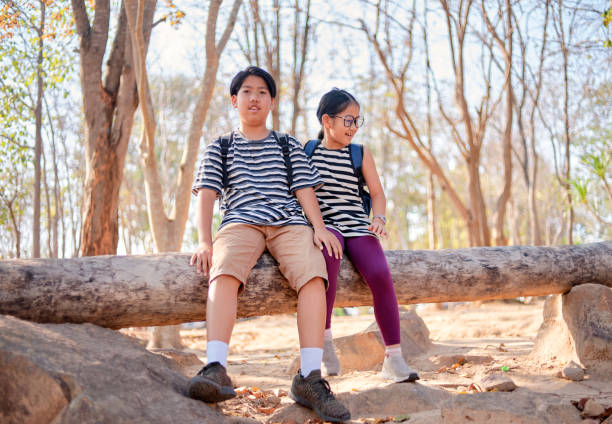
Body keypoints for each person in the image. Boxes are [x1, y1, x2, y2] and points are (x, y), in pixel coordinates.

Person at [188, 67, 350, 423]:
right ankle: (215, 367)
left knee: (313, 275)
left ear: (272, 102)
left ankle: (310, 377)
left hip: (289, 223)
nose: (255, 98)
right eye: (247, 92)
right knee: (224, 269)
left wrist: (318, 228)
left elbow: (304, 189)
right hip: (240, 222)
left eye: (263, 92)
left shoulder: (286, 143)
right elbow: (207, 194)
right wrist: (203, 240)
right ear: (235, 100)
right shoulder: (221, 145)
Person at [307, 88, 420, 383]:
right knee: (328, 264)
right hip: (325, 224)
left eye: (358, 120)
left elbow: (378, 194)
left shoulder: (360, 153)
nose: (354, 127)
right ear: (326, 121)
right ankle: (326, 342)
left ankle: (393, 359)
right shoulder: (307, 151)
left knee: (381, 274)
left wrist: (378, 219)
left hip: (357, 225)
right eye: (348, 120)